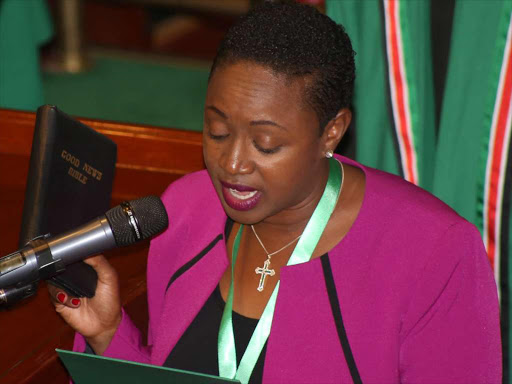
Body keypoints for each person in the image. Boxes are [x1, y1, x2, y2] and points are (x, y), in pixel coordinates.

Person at [49, 2, 502, 383]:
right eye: (218, 131)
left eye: (266, 144)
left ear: (332, 132)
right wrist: (110, 335)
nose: (232, 165)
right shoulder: (187, 209)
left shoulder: (435, 254)